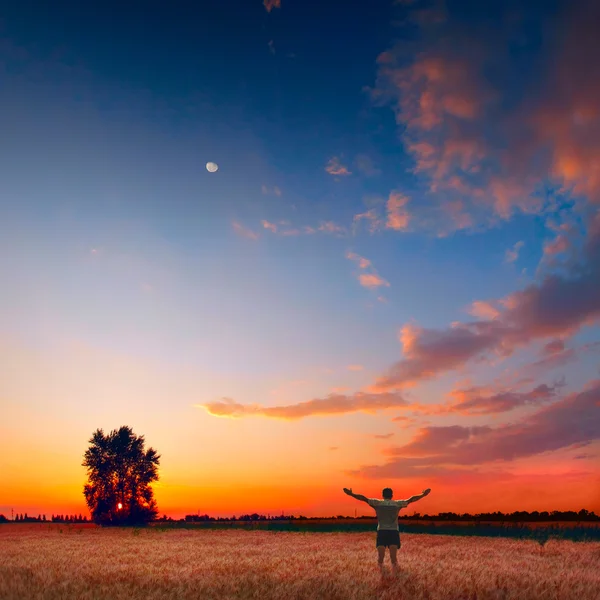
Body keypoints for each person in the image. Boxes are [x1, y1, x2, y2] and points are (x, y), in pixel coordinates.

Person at [343, 486, 431, 574]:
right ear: (392, 495)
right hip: (393, 532)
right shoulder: (397, 504)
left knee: (380, 558)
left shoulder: (377, 503)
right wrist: (423, 494)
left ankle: (381, 577)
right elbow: (411, 499)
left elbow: (363, 498)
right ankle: (396, 578)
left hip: (382, 531)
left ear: (383, 495)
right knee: (394, 559)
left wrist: (351, 494)